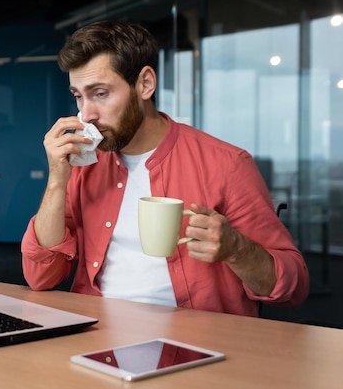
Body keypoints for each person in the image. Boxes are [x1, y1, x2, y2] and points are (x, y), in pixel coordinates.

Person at [21, 20, 309, 317]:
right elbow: (41, 277)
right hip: (97, 334)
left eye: (100, 93)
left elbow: (293, 289)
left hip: (196, 342)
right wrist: (57, 179)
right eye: (78, 96)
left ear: (145, 84)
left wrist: (237, 249)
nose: (86, 114)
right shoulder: (84, 165)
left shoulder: (227, 165)